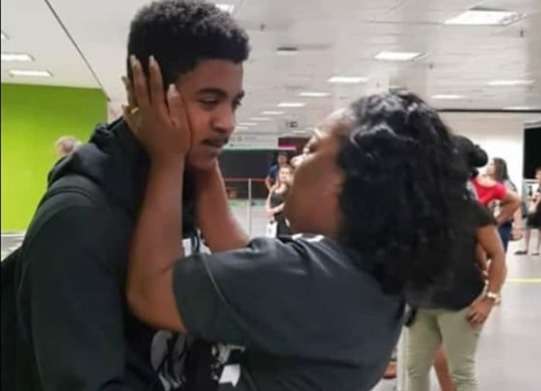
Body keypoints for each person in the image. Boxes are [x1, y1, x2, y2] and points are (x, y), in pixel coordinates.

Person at [125, 72, 478, 391]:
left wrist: (167, 157)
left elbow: (149, 290)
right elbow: (237, 252)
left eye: (311, 148)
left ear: (350, 181)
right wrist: (205, 156)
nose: (294, 161)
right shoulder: (361, 276)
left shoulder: (310, 275)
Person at [13, 1, 249, 390]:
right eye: (209, 101)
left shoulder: (187, 192)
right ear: (145, 91)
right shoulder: (77, 219)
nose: (227, 122)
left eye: (234, 102)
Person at [485, 157, 523, 251]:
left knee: (499, 253)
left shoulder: (506, 184)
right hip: (486, 223)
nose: (488, 166)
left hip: (502, 223)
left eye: (492, 164)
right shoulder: (486, 182)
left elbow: (516, 205)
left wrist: (518, 226)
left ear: (499, 167)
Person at [516, 167, 541, 255]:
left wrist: (534, 205)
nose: (537, 176)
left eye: (539, 174)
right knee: (528, 227)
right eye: (537, 174)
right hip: (534, 209)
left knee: (539, 229)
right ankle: (526, 248)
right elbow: (534, 197)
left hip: (538, 209)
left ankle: (537, 249)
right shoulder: (537, 186)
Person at [265, 165, 293, 236]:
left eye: (286, 173)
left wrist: (273, 211)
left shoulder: (292, 189)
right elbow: (268, 199)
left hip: (285, 220)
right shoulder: (274, 187)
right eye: (282, 173)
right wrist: (268, 209)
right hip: (273, 220)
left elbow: (287, 203)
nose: (284, 175)